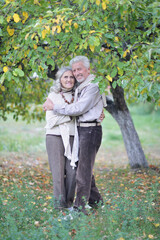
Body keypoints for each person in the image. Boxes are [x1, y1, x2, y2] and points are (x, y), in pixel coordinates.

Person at [43, 56, 106, 214]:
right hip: (64, 134)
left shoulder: (86, 89)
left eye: (76, 72)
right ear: (60, 79)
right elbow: (52, 120)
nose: (72, 77)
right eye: (69, 74)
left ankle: (76, 206)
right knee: (75, 171)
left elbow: (79, 108)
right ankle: (91, 202)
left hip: (84, 132)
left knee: (78, 172)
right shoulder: (61, 94)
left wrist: (96, 112)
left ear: (87, 69)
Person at [45, 66, 78, 210]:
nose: (69, 80)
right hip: (54, 137)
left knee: (73, 173)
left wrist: (60, 112)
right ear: (60, 79)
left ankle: (68, 203)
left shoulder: (78, 95)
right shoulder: (53, 96)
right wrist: (71, 115)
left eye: (71, 77)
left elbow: (83, 112)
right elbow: (51, 122)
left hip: (73, 137)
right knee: (58, 174)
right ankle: (59, 207)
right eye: (66, 77)